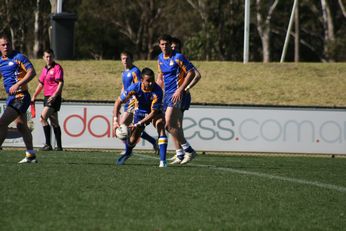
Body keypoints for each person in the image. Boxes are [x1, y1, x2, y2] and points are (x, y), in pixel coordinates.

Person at [112, 67, 168, 167]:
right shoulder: (134, 88)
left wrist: (138, 123)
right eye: (148, 81)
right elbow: (118, 102)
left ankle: (163, 162)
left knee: (160, 125)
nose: (151, 83)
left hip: (154, 112)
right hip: (140, 112)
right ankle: (128, 153)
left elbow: (153, 113)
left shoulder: (158, 91)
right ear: (142, 80)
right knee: (133, 139)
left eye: (152, 80)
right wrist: (115, 121)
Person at [156, 34, 197, 165]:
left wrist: (181, 89)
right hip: (166, 94)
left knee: (169, 123)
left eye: (166, 44)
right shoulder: (160, 58)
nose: (164, 46)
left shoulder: (178, 57)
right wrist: (156, 92)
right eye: (162, 44)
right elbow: (160, 76)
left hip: (176, 94)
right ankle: (185, 150)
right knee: (169, 125)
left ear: (170, 44)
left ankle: (186, 150)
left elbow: (191, 73)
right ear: (159, 45)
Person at [0, 34, 37, 163]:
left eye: (8, 44)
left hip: (21, 97)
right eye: (3, 45)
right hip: (11, 98)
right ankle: (31, 155)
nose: (6, 47)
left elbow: (32, 72)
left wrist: (18, 84)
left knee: (2, 122)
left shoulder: (18, 57)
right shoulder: (1, 61)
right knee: (21, 126)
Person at [117, 51, 158, 154]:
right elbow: (124, 87)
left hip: (133, 102)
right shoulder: (124, 73)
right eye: (123, 59)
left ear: (132, 59)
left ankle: (128, 148)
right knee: (131, 127)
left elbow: (139, 86)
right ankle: (152, 141)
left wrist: (134, 101)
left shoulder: (135, 71)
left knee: (122, 126)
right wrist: (121, 98)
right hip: (127, 101)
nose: (125, 61)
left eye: (127, 58)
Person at [168, 37, 202, 163]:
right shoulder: (168, 60)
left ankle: (183, 152)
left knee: (176, 125)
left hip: (181, 95)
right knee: (171, 124)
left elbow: (197, 75)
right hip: (172, 95)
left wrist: (186, 88)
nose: (173, 49)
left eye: (175, 47)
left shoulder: (182, 59)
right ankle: (179, 152)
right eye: (171, 47)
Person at [31, 48, 64, 151]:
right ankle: (59, 146)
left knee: (42, 118)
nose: (49, 58)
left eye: (50, 56)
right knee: (54, 122)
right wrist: (34, 96)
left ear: (53, 56)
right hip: (46, 97)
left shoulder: (57, 67)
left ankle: (48, 144)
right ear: (43, 58)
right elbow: (41, 84)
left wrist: (54, 95)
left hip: (54, 97)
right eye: (47, 56)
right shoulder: (45, 69)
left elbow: (60, 83)